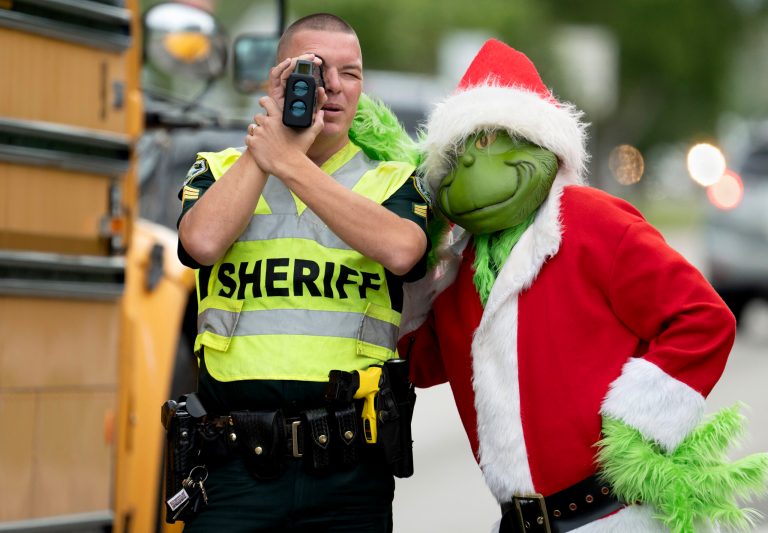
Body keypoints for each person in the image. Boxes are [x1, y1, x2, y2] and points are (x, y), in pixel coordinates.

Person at [400, 39, 767, 532]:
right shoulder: (462, 267)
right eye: (459, 150)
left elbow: (703, 316)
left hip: (613, 515)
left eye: (488, 141)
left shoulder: (589, 220)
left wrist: (636, 419)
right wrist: (414, 265)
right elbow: (419, 363)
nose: (470, 164)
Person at [175, 13, 429, 532]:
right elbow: (200, 242)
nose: (332, 86)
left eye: (350, 73)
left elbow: (403, 251)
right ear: (278, 78)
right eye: (313, 68)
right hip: (234, 468)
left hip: (349, 473)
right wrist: (266, 147)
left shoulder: (394, 181)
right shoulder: (220, 170)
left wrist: (291, 164)